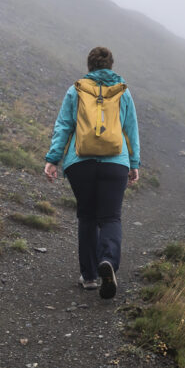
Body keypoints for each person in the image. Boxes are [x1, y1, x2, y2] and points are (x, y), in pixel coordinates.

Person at [44, 46, 140, 299]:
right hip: (115, 163)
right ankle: (107, 260)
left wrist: (54, 159)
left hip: (80, 162)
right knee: (110, 218)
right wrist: (134, 163)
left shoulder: (75, 89)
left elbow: (64, 125)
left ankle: (89, 277)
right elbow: (130, 130)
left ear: (89, 65)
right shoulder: (123, 92)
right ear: (111, 65)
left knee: (87, 216)